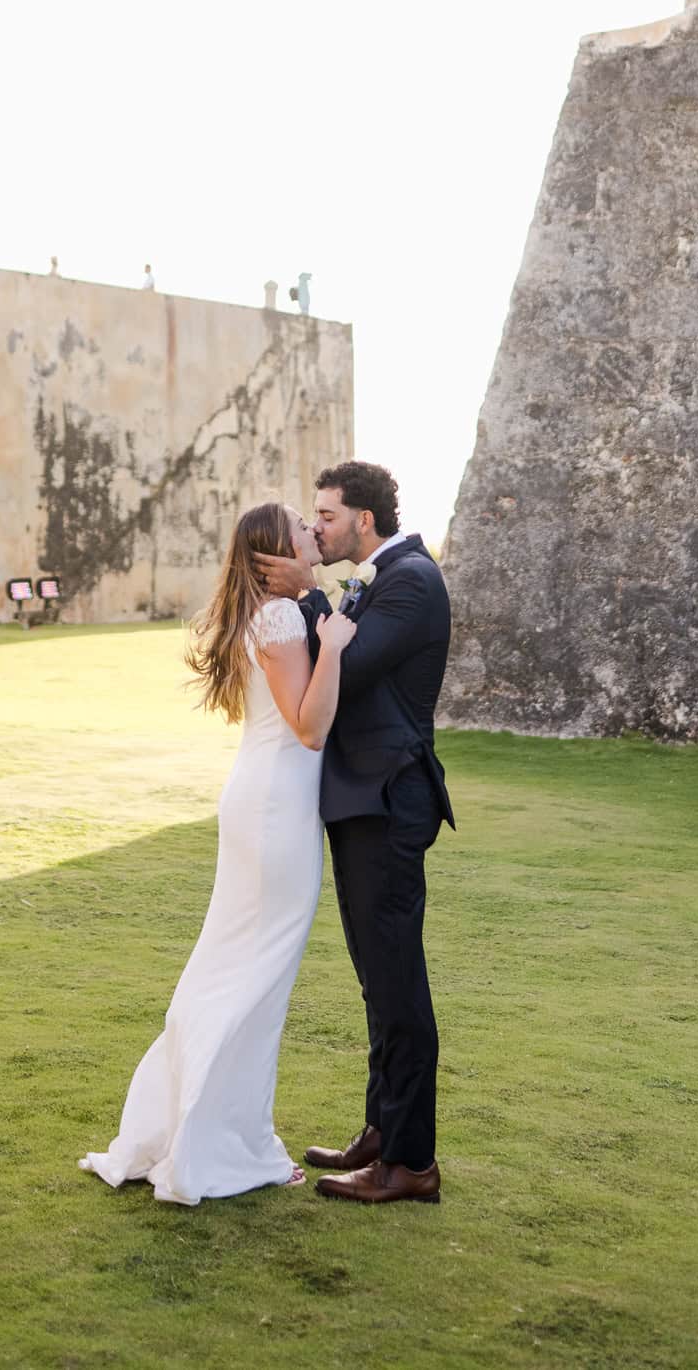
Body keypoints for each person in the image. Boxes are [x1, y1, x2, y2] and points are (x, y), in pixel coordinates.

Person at [78, 501, 356, 1205]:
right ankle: (223, 1143)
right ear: (274, 550)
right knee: (257, 976)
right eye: (301, 524)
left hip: (261, 802)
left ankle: (207, 1128)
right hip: (276, 811)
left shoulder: (264, 615)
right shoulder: (284, 617)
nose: (312, 532)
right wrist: (340, 646)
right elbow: (311, 728)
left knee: (234, 966)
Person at [257, 458, 453, 1207]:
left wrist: (306, 593)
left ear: (364, 521)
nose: (316, 529)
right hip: (360, 802)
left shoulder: (412, 581)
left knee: (398, 983)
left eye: (327, 517)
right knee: (377, 979)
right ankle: (380, 1130)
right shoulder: (380, 576)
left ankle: (410, 1162)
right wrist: (317, 596)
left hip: (389, 802)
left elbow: (353, 665)